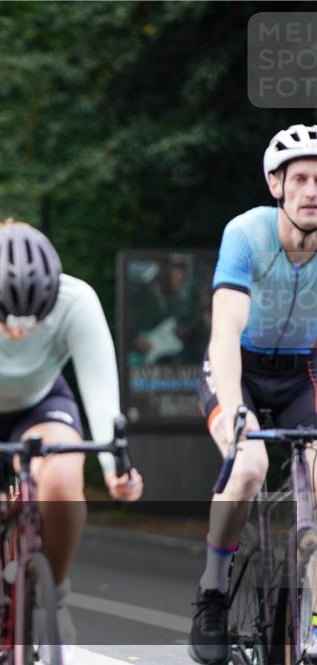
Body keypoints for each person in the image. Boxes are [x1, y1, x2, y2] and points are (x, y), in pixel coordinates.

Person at [0, 219, 144, 665]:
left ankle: (52, 591)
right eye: (6, 321)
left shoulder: (76, 300)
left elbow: (100, 393)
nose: (19, 333)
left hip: (40, 406)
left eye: (32, 321)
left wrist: (117, 469)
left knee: (61, 477)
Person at [189, 124, 317, 665]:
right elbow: (224, 333)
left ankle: (311, 621)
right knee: (247, 467)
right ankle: (213, 592)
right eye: (302, 178)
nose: (313, 191)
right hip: (237, 367)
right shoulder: (247, 234)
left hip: (302, 374)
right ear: (275, 184)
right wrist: (237, 410)